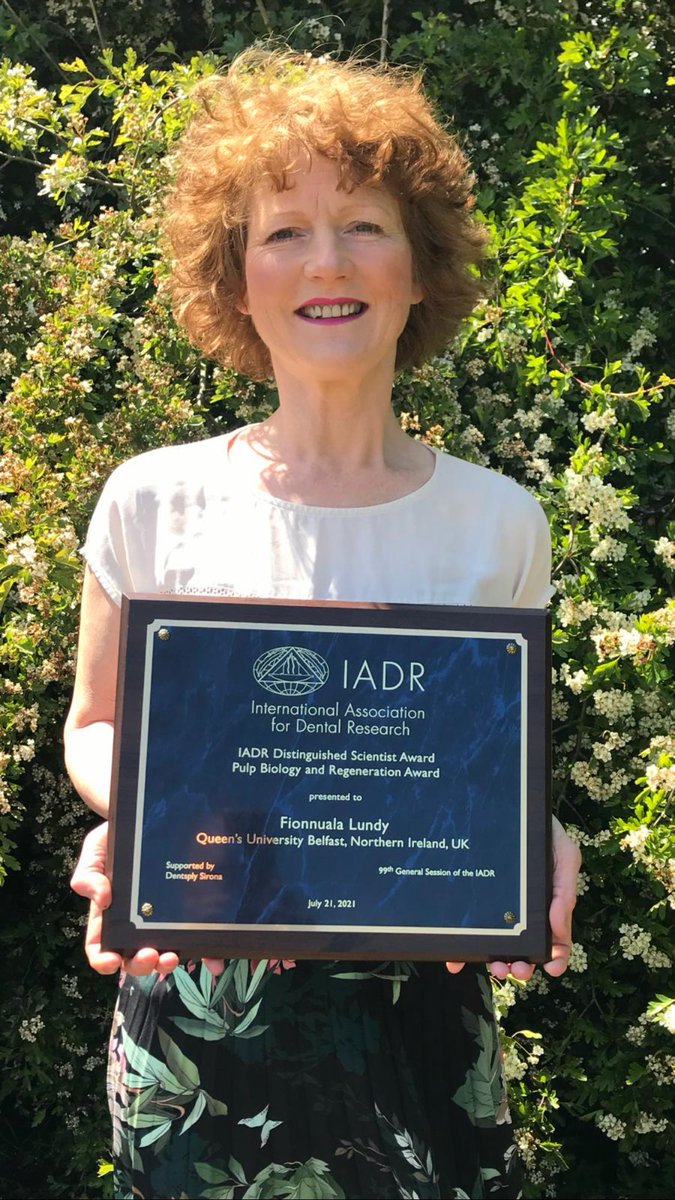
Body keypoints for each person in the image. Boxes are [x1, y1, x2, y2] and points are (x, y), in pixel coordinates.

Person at [65, 49, 581, 1200]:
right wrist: (149, 814)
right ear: (234, 279)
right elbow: (96, 726)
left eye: (363, 224)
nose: (326, 260)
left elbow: (489, 772)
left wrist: (542, 840)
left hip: (420, 1013)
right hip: (198, 999)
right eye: (283, 231)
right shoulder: (151, 498)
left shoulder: (502, 523)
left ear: (418, 271)